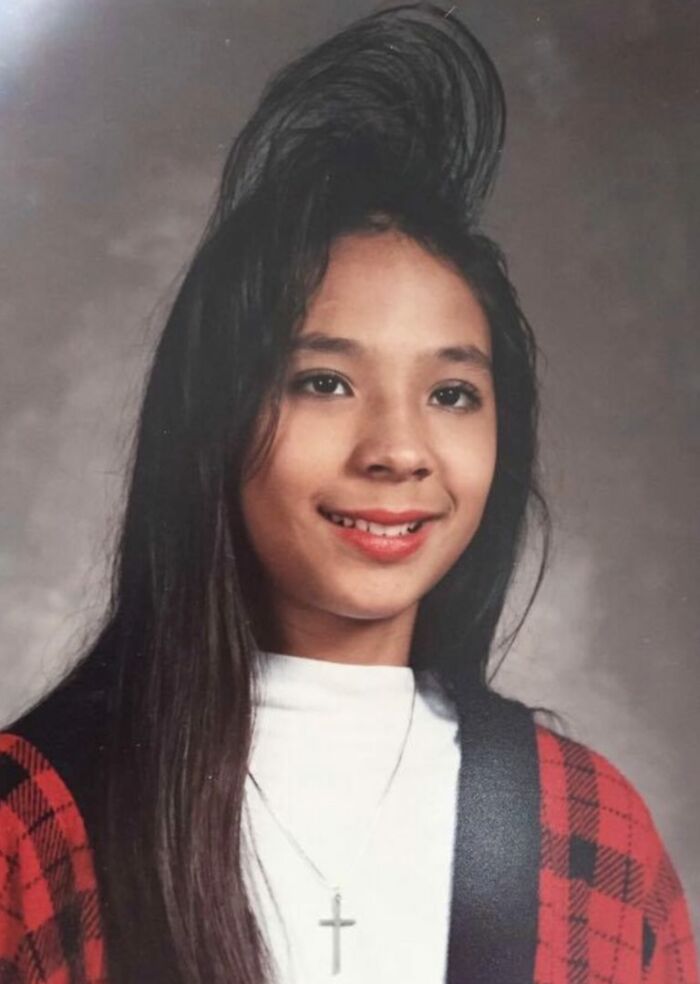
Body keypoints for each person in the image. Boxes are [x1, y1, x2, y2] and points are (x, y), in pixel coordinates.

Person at [0, 4, 697, 983]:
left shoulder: (590, 837)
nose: (398, 449)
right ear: (214, 416)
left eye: (452, 393)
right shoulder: (32, 828)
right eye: (324, 381)